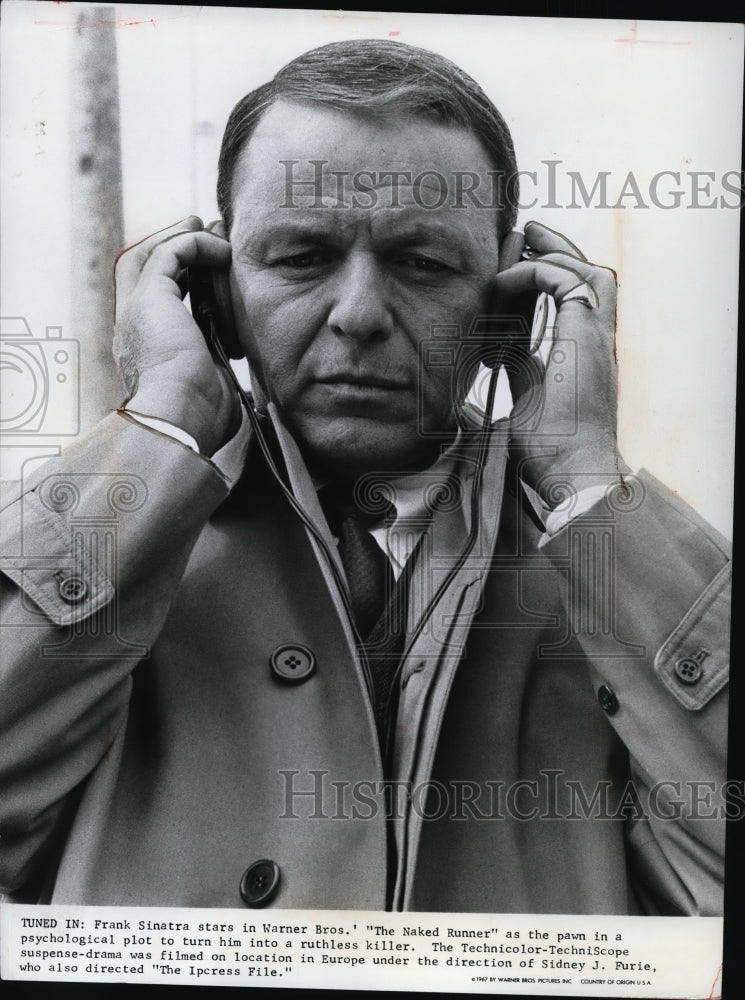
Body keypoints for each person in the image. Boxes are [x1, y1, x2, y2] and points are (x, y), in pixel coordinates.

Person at [0, 39, 731, 914]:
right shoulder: (124, 551)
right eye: (301, 257)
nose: (358, 316)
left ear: (508, 303)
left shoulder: (602, 586)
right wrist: (161, 425)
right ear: (217, 292)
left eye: (423, 264)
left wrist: (584, 481)